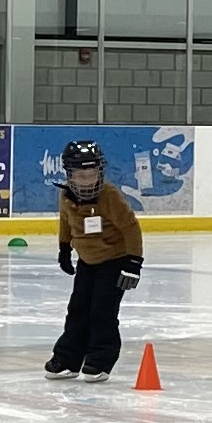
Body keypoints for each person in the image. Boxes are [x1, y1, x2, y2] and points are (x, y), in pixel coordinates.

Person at [47, 137, 144, 380]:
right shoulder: (67, 196)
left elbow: (131, 227)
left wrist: (133, 263)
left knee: (102, 311)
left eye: (92, 175)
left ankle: (100, 360)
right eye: (81, 176)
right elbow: (65, 222)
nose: (87, 181)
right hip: (87, 263)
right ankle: (68, 358)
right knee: (78, 309)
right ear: (70, 175)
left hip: (114, 261)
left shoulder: (109, 196)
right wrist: (64, 248)